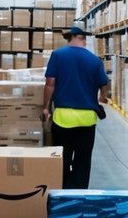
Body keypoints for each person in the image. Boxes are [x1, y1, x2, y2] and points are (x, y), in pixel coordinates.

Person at [42, 25, 109, 189]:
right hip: (87, 119)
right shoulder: (94, 59)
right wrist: (103, 96)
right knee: (83, 160)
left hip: (63, 118)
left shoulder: (58, 55)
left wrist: (46, 107)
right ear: (83, 38)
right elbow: (103, 83)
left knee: (63, 158)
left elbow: (50, 83)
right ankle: (78, 193)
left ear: (70, 38)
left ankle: (62, 190)